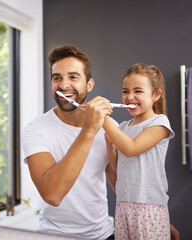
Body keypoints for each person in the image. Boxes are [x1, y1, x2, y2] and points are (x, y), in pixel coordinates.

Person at [22, 45, 116, 239]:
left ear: (89, 84)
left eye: (73, 77)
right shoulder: (36, 130)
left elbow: (120, 182)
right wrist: (89, 130)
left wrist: (157, 217)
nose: (64, 85)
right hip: (55, 235)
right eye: (57, 78)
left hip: (104, 234)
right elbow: (52, 195)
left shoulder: (109, 126)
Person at [102, 63, 176, 240]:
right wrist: (109, 146)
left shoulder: (159, 123)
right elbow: (118, 166)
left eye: (138, 91)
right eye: (125, 91)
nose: (129, 97)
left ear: (156, 95)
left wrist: (102, 119)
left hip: (148, 206)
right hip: (123, 205)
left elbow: (131, 150)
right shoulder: (123, 127)